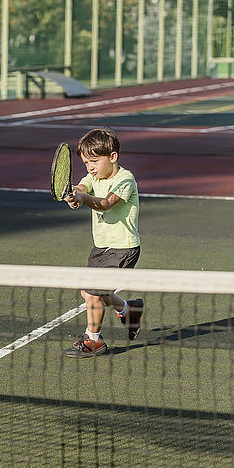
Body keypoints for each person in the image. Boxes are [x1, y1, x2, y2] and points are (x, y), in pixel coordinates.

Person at [63, 127, 143, 358]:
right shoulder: (92, 176)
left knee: (94, 293)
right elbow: (82, 187)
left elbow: (106, 203)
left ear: (113, 157)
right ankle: (129, 309)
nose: (90, 167)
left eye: (95, 161)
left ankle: (94, 341)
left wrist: (83, 198)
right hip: (101, 247)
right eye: (86, 162)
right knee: (90, 293)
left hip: (123, 248)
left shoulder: (125, 179)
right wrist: (75, 194)